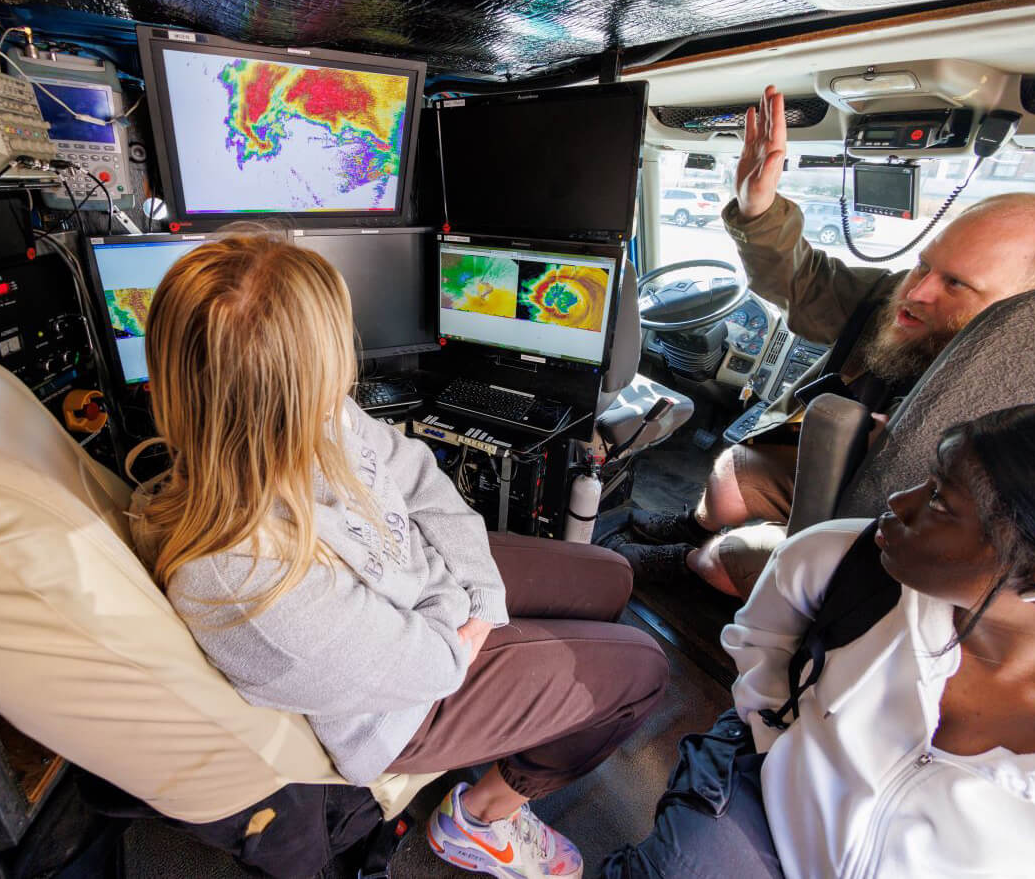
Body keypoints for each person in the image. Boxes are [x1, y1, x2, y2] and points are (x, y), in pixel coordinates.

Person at [128, 229, 669, 879]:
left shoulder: (314, 416)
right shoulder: (237, 573)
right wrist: (460, 606)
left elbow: (414, 475)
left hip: (433, 607)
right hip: (404, 707)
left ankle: (539, 683)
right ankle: (484, 818)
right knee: (642, 670)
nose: (345, 380)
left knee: (611, 579)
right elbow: (434, 664)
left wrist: (482, 596)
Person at [604, 401, 1035, 878]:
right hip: (765, 817)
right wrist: (777, 742)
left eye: (940, 502)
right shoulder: (839, 562)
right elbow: (762, 647)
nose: (898, 502)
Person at [610, 86, 1035, 599]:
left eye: (956, 284)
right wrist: (757, 209)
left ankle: (697, 566)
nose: (915, 292)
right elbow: (803, 282)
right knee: (729, 471)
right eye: (924, 263)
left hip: (903, 528)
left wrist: (911, 449)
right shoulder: (894, 296)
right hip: (840, 469)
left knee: (725, 559)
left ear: (1033, 303)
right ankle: (695, 530)